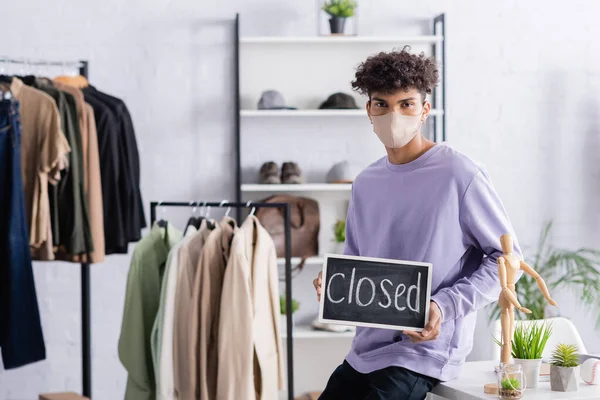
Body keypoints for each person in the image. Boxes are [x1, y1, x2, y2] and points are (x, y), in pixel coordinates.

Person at [313, 47, 521, 399]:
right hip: (365, 350)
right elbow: (357, 259)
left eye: (406, 104)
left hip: (423, 351)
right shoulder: (366, 182)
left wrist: (443, 306)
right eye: (382, 104)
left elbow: (507, 259)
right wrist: (335, 283)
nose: (394, 115)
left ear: (424, 110)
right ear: (369, 110)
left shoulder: (460, 174)